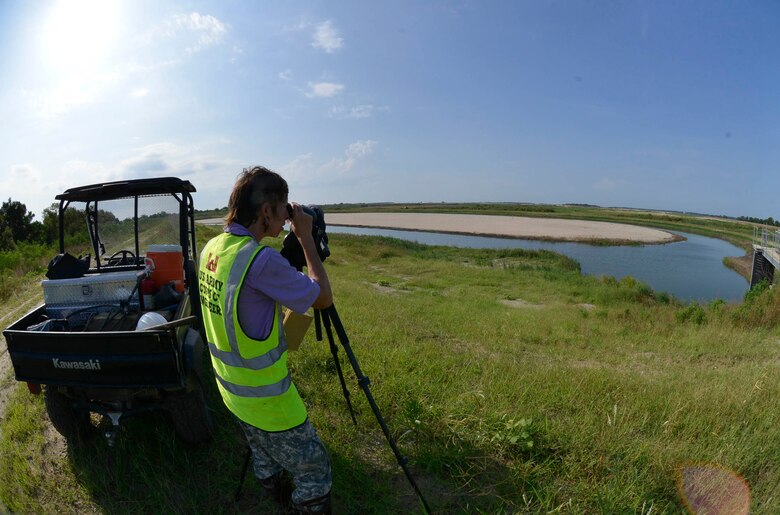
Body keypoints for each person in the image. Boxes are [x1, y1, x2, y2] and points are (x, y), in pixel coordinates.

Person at [198, 166, 333, 514]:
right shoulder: (259, 261)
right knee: (316, 469)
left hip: (232, 392)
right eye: (283, 208)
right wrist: (304, 237)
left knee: (262, 451)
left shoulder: (212, 249)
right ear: (265, 211)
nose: (286, 216)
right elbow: (322, 298)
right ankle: (306, 504)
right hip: (269, 400)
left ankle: (274, 487)